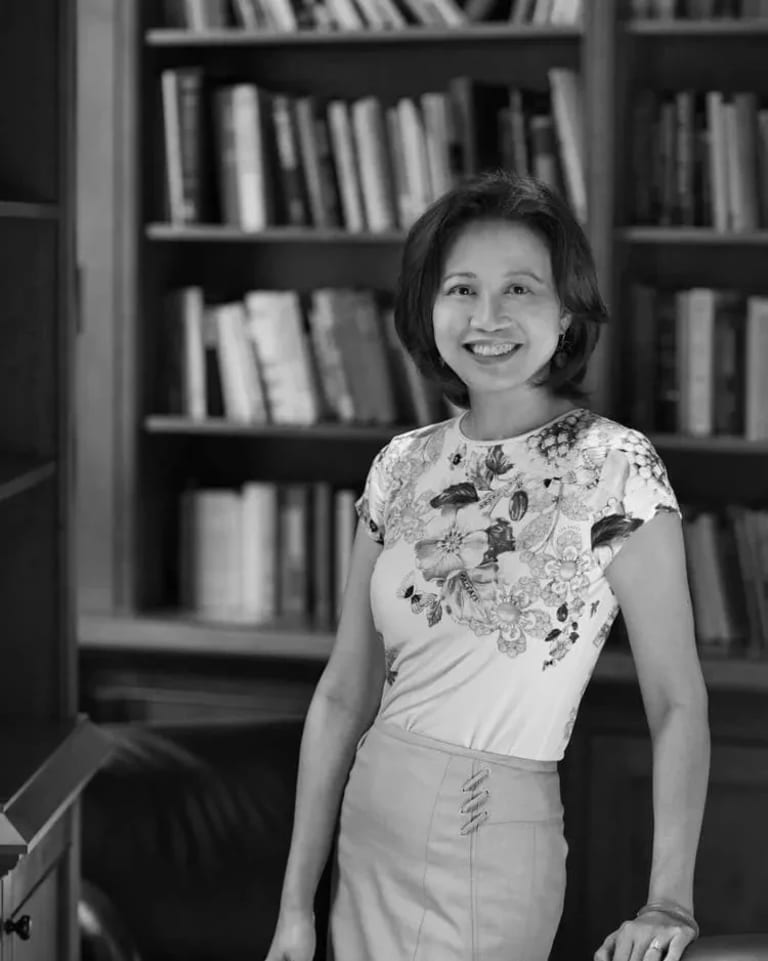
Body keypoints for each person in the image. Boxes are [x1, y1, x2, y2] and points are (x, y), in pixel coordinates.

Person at [263, 171, 710, 961]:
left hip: (490, 829)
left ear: (567, 311)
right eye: (462, 288)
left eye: (520, 289)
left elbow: (677, 702)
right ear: (427, 307)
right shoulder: (399, 467)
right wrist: (295, 905)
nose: (488, 317)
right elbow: (342, 693)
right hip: (368, 829)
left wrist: (669, 900)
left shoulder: (616, 469)